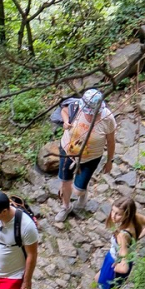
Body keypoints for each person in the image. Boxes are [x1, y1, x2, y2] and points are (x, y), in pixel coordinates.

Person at [55, 87, 116, 224]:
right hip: (67, 151)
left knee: (78, 190)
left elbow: (111, 141)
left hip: (91, 158)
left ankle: (82, 192)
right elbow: (64, 110)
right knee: (65, 182)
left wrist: (109, 160)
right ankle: (66, 207)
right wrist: (66, 122)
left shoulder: (107, 118)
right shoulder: (77, 107)